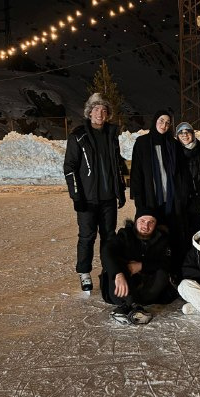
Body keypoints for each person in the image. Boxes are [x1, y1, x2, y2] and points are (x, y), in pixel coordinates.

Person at [63, 93, 127, 292]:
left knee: (109, 237)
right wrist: (76, 196)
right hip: (88, 199)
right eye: (96, 109)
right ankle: (84, 272)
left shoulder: (111, 135)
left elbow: (117, 164)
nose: (100, 113)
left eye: (104, 110)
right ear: (89, 112)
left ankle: (108, 270)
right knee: (87, 237)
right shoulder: (78, 136)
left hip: (108, 198)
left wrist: (120, 190)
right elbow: (70, 167)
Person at [130, 110, 190, 275]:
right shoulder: (142, 143)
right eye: (161, 120)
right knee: (153, 238)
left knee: (173, 236)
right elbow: (136, 173)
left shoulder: (173, 144)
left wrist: (183, 196)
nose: (164, 125)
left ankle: (175, 271)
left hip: (172, 202)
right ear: (155, 120)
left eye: (167, 122)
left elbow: (182, 173)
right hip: (151, 202)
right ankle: (152, 273)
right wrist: (139, 202)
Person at [100, 208, 175, 325]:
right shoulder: (125, 235)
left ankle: (127, 309)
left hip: (148, 292)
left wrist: (141, 266)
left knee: (162, 271)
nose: (146, 226)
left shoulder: (162, 239)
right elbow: (107, 251)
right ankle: (133, 306)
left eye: (151, 222)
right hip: (121, 291)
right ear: (135, 221)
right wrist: (118, 274)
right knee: (117, 264)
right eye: (142, 221)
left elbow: (167, 262)